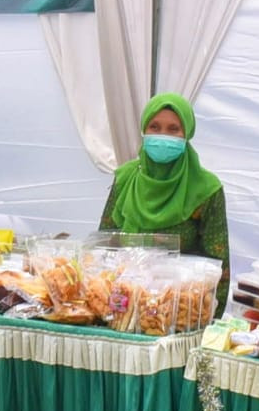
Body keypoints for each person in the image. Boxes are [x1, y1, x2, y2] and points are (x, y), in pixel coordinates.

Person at [99, 92, 231, 308]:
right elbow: (104, 244)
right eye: (155, 127)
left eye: (173, 129)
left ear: (187, 133)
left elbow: (218, 264)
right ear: (144, 130)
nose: (163, 136)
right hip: (123, 304)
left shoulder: (206, 190)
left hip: (180, 308)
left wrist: (210, 318)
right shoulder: (125, 178)